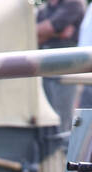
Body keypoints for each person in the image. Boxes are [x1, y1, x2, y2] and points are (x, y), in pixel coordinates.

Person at [36, 0, 86, 139]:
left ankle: (63, 154)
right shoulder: (44, 9)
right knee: (46, 116)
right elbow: (32, 34)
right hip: (44, 68)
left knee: (63, 117)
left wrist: (48, 32)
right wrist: (57, 32)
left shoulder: (73, 3)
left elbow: (47, 29)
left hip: (66, 68)